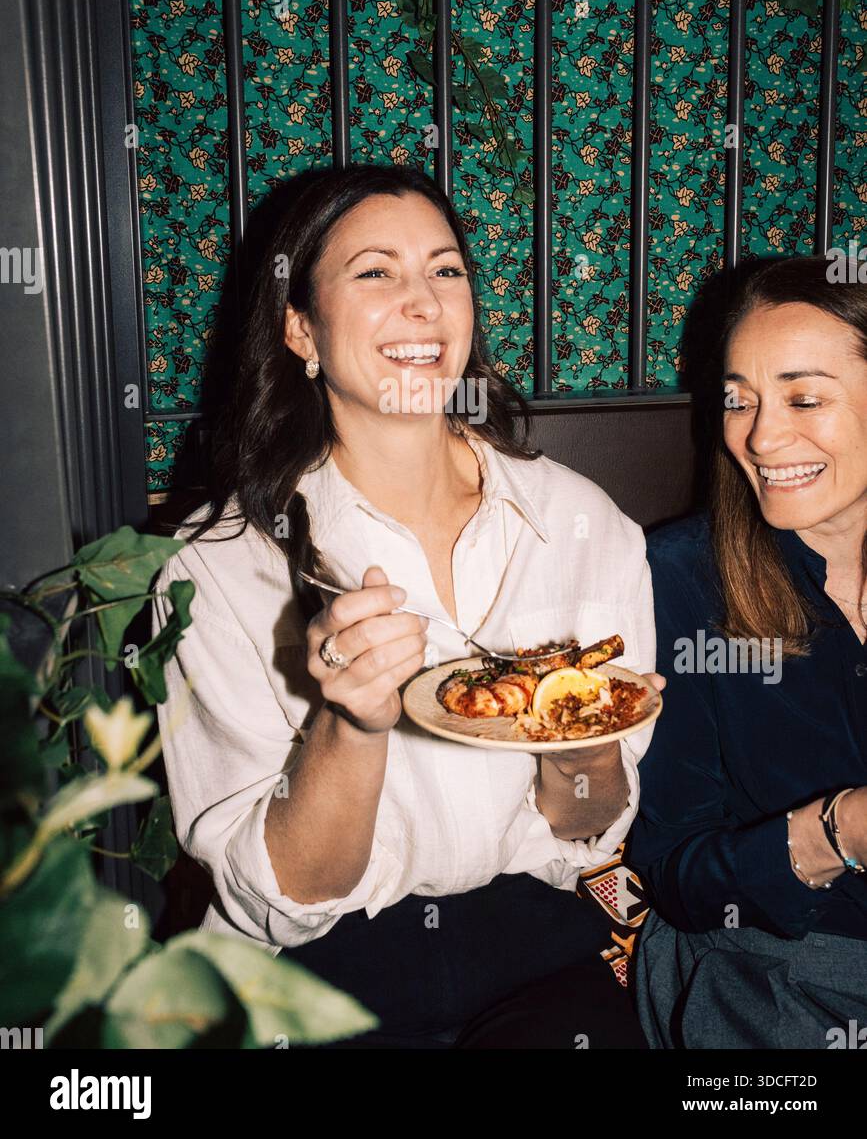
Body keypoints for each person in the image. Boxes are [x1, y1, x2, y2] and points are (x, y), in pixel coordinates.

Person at [152, 163, 662, 1049]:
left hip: (535, 945)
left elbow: (583, 826)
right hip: (314, 970)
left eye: (446, 269)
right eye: (375, 272)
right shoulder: (217, 568)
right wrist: (349, 724)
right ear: (299, 330)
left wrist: (580, 736)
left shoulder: (584, 525)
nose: (422, 302)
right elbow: (289, 897)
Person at [627, 255, 867, 1050]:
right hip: (776, 973)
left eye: (803, 398)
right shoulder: (681, 578)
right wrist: (837, 833)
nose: (761, 435)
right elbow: (674, 876)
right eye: (739, 400)